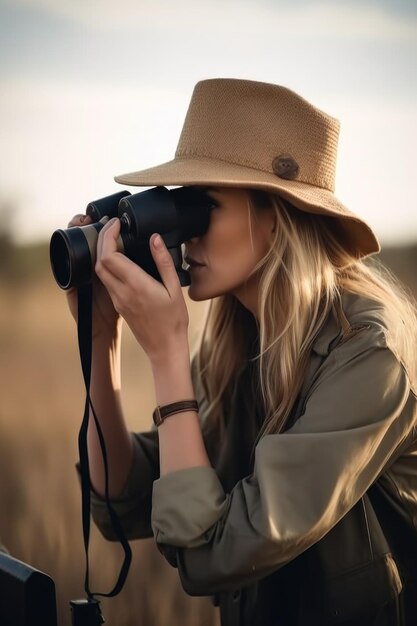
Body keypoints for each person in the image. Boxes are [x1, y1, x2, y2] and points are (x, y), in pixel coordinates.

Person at [66, 79, 417, 625]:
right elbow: (123, 494)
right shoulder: (241, 335)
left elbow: (214, 552)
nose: (184, 234)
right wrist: (99, 338)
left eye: (200, 206)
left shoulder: (368, 352)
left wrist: (166, 356)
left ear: (277, 213)